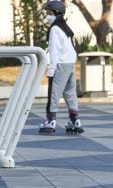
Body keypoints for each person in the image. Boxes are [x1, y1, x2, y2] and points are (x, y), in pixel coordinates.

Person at [39, 0, 84, 135]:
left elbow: (54, 51)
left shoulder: (54, 29)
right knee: (70, 93)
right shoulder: (65, 27)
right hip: (70, 62)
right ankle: (75, 120)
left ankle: (50, 121)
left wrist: (51, 70)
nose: (47, 16)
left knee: (54, 93)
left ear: (56, 13)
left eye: (49, 13)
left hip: (61, 64)